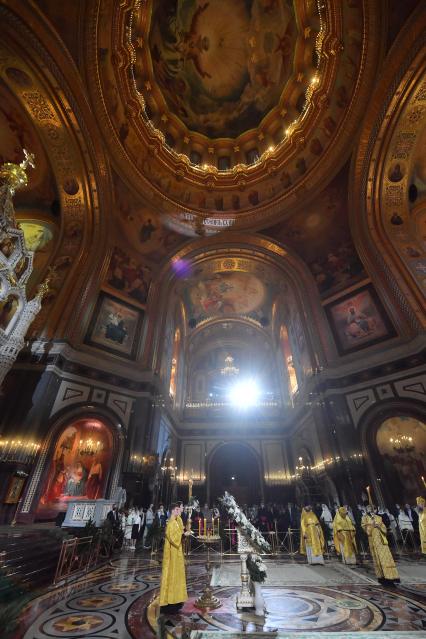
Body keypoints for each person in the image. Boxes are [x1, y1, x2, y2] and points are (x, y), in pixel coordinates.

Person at [159, 502, 191, 614]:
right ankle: (170, 604)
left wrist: (184, 534)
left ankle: (177, 601)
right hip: (171, 555)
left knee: (176, 575)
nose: (179, 511)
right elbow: (173, 538)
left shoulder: (176, 522)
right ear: (173, 510)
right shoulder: (171, 523)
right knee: (171, 575)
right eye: (177, 509)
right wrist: (183, 535)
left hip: (176, 553)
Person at [361, 505, 399, 585]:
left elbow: (384, 529)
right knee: (378, 558)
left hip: (382, 541)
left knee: (387, 558)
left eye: (373, 509)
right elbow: (366, 531)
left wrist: (379, 526)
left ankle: (392, 576)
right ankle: (382, 577)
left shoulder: (379, 517)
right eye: (370, 509)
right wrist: (372, 525)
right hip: (374, 541)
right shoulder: (365, 518)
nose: (372, 511)